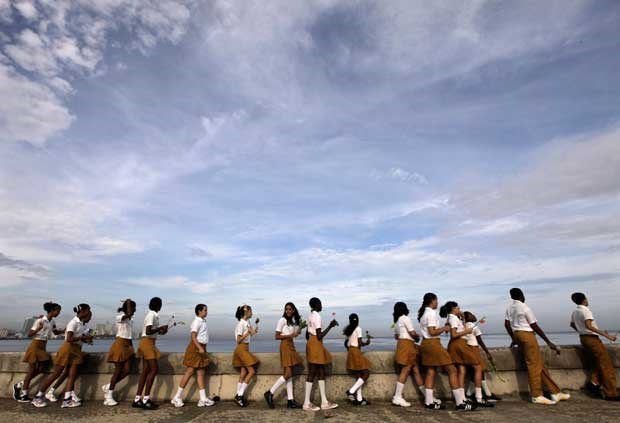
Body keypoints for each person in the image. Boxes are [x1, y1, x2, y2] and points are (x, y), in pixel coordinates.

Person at [504, 288, 570, 405]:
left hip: (518, 334)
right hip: (527, 335)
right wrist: (548, 341)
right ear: (521, 295)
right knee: (534, 365)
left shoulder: (510, 308)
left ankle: (555, 392)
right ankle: (536, 395)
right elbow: (534, 325)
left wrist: (514, 338)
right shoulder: (525, 307)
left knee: (539, 364)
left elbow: (506, 324)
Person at [418, 293, 476, 411]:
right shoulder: (431, 313)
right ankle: (460, 403)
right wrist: (445, 328)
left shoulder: (424, 314)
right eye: (436, 300)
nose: (437, 302)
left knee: (431, 371)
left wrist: (443, 328)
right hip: (433, 344)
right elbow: (432, 332)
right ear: (432, 300)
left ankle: (429, 402)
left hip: (425, 343)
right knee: (452, 370)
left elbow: (429, 331)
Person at [32, 304, 93, 408]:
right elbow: (68, 339)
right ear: (82, 311)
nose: (89, 313)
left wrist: (86, 339)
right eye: (88, 310)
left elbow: (77, 337)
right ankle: (38, 397)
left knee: (72, 375)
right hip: (67, 349)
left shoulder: (81, 324)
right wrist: (83, 338)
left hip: (76, 350)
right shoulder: (73, 323)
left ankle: (67, 399)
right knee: (56, 374)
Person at [440, 302, 492, 408]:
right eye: (458, 308)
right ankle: (478, 397)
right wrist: (467, 331)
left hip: (457, 344)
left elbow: (460, 330)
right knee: (478, 367)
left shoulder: (453, 318)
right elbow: (454, 334)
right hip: (459, 344)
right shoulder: (453, 318)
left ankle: (462, 398)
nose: (460, 309)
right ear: (453, 309)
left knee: (462, 370)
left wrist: (463, 318)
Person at [570, 292, 619, 401]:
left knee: (599, 362)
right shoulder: (586, 310)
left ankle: (593, 383)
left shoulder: (575, 312)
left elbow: (572, 324)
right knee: (606, 364)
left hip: (583, 338)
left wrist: (581, 331)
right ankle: (611, 393)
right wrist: (607, 336)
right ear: (584, 299)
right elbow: (589, 326)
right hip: (592, 339)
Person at [13, 302, 63, 403]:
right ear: (52, 310)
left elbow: (55, 332)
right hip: (35, 345)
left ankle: (19, 384)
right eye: (58, 311)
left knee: (40, 369)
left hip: (43, 346)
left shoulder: (52, 322)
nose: (59, 313)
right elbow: (30, 334)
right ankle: (24, 394)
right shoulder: (40, 320)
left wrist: (64, 330)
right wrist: (39, 329)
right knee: (32, 370)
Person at [171, 304, 215, 407]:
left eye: (206, 310)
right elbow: (193, 336)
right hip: (196, 348)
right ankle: (177, 397)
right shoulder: (197, 322)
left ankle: (203, 399)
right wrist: (199, 348)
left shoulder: (202, 321)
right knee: (190, 371)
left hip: (201, 348)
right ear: (199, 311)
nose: (206, 312)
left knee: (201, 372)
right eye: (205, 310)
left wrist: (202, 348)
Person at [264, 302, 303, 409]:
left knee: (289, 373)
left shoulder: (292, 322)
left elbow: (293, 335)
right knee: (288, 373)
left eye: (290, 309)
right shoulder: (282, 320)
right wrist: (290, 335)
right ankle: (270, 392)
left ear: (293, 310)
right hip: (285, 346)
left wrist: (299, 330)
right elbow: (276, 336)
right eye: (287, 309)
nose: (288, 311)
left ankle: (290, 401)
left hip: (291, 345)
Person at [303, 297, 338, 411]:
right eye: (320, 303)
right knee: (312, 372)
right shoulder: (317, 316)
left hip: (312, 343)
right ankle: (306, 403)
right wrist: (330, 326)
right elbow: (319, 335)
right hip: (316, 343)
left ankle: (324, 402)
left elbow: (307, 334)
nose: (321, 305)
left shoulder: (310, 316)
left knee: (321, 371)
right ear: (316, 305)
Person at [133, 297, 168, 410]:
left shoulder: (153, 315)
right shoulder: (152, 315)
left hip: (148, 343)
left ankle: (137, 399)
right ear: (158, 305)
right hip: (147, 344)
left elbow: (151, 332)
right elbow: (148, 331)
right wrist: (159, 328)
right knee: (154, 369)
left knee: (145, 371)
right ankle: (146, 399)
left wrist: (162, 331)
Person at [391, 301, 426, 407]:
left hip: (402, 344)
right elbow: (412, 332)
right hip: (407, 345)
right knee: (406, 370)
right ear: (405, 309)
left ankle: (427, 396)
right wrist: (417, 337)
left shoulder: (397, 321)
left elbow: (396, 336)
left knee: (416, 371)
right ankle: (397, 397)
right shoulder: (405, 318)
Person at [103, 299, 136, 406]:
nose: (135, 311)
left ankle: (108, 386)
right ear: (129, 308)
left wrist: (132, 348)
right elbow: (128, 314)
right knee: (117, 371)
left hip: (127, 345)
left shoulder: (130, 320)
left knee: (127, 370)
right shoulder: (120, 317)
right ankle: (108, 396)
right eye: (133, 308)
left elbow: (129, 335)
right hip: (120, 344)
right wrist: (128, 302)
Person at [463, 311, 502, 402]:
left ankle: (470, 394)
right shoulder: (474, 326)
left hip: (467, 349)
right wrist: (487, 352)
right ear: (469, 317)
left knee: (474, 372)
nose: (473, 315)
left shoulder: (463, 326)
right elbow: (479, 340)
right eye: (471, 315)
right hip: (474, 349)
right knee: (479, 370)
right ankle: (485, 394)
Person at [232, 304, 260, 407]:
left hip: (245, 348)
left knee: (243, 372)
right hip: (241, 349)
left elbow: (249, 334)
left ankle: (238, 396)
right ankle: (239, 396)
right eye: (251, 311)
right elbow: (239, 340)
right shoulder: (241, 324)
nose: (252, 313)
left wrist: (254, 331)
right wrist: (248, 333)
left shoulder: (247, 323)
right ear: (246, 312)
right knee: (251, 371)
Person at [343, 313, 371, 406]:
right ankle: (351, 391)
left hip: (351, 351)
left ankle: (359, 399)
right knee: (366, 373)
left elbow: (345, 343)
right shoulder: (358, 329)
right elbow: (359, 343)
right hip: (356, 351)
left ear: (350, 321)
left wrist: (350, 349)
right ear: (358, 320)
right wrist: (366, 343)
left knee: (359, 375)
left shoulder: (348, 330)